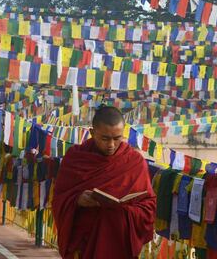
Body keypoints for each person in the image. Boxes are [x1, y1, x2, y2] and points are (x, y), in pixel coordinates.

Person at [52, 106, 156, 259]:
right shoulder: (76, 158)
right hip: (83, 243)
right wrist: (77, 200)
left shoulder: (134, 162)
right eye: (105, 139)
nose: (111, 145)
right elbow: (59, 199)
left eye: (117, 138)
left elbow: (149, 206)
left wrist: (126, 211)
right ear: (92, 133)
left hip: (118, 241)